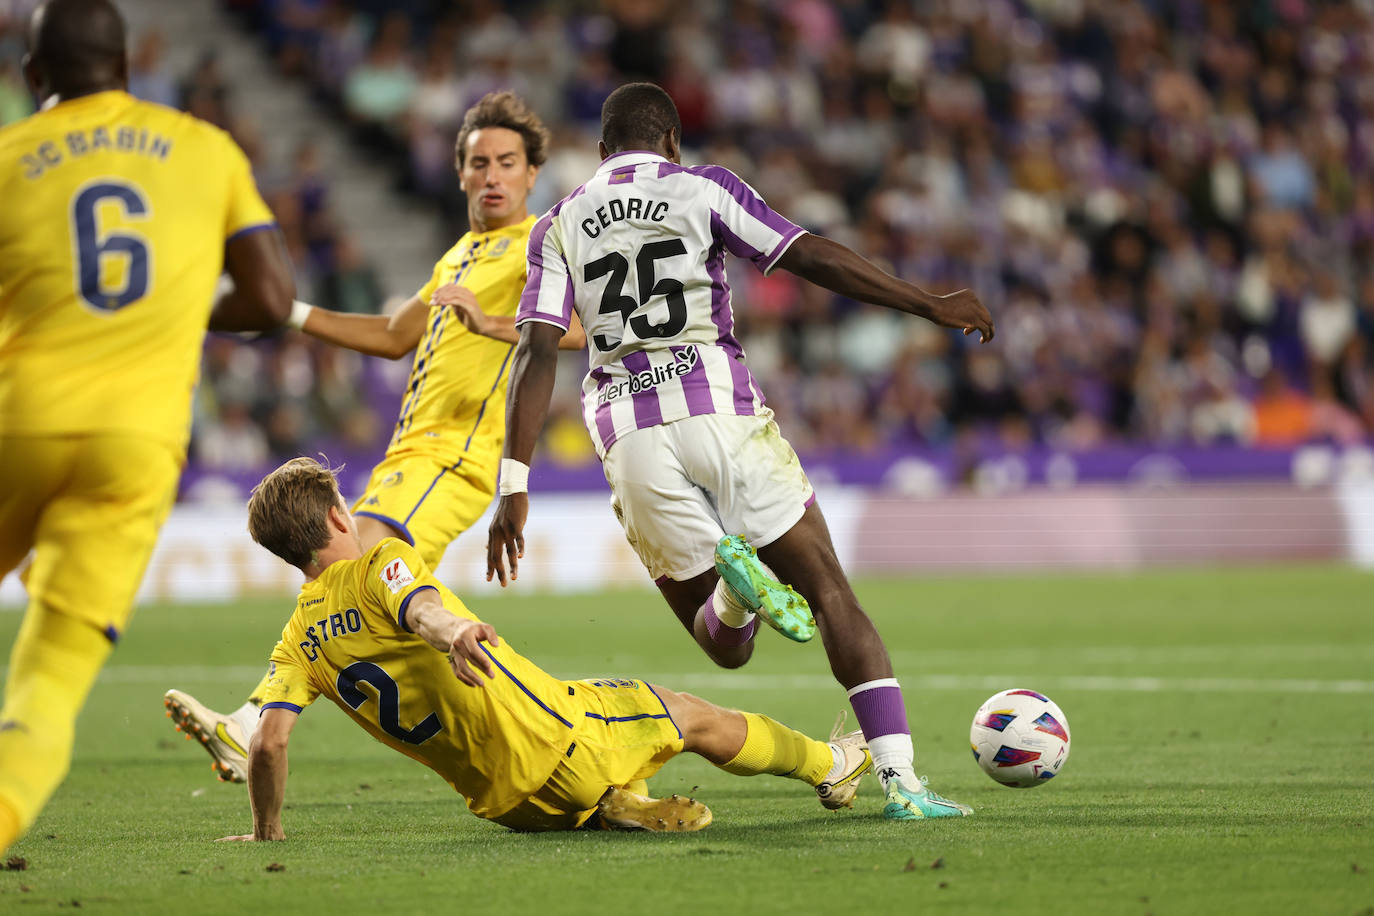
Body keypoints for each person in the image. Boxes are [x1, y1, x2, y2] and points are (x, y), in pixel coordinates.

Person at [488, 82, 995, 821]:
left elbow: (535, 351)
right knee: (828, 591)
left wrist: (514, 481)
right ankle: (903, 784)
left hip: (629, 437)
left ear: (600, 153)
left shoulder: (559, 222)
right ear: (672, 143)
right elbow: (807, 255)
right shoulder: (702, 188)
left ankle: (734, 589)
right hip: (719, 411)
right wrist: (926, 303)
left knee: (727, 648)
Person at [163, 91, 585, 783]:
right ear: (459, 173)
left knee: (356, 564)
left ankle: (254, 722)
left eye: (508, 162)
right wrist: (287, 311)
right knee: (344, 580)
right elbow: (394, 337)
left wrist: (489, 324)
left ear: (532, 172)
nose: (492, 175)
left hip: (455, 457)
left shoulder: (538, 243)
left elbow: (577, 330)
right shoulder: (459, 254)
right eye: (479, 162)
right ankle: (256, 724)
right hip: (407, 454)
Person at [0, 0, 295, 853]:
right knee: (48, 683)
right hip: (135, 445)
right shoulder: (203, 148)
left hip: (18, 421)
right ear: (129, 70)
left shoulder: (10, 156)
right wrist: (173, 312)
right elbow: (272, 299)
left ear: (32, 77)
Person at [218, 458, 872, 839]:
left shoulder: (295, 643)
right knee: (689, 715)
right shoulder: (380, 564)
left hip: (506, 807)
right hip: (560, 741)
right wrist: (454, 631)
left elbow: (267, 744)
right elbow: (418, 608)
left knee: (604, 705)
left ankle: (624, 803)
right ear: (338, 517)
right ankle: (829, 765)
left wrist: (266, 830)